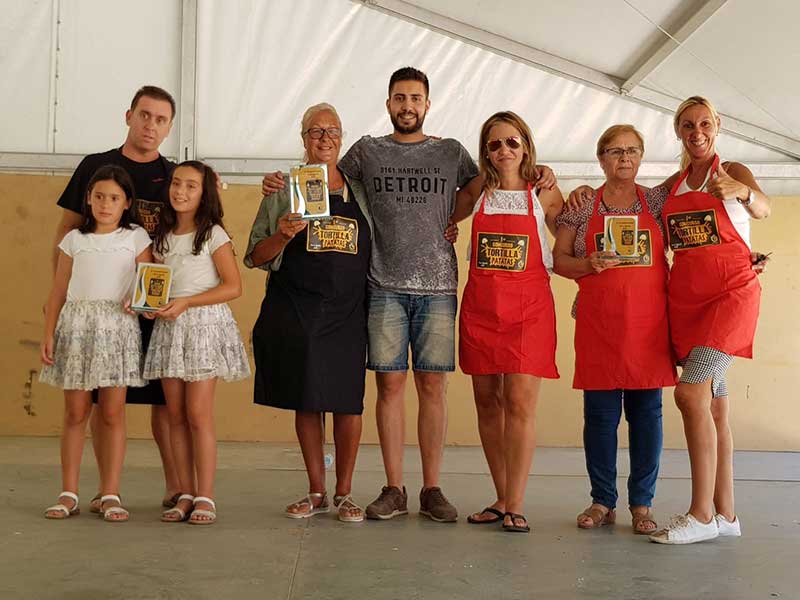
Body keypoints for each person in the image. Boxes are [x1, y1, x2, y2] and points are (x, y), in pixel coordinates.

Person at [52, 85, 181, 512]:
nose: (151, 125)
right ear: (129, 116)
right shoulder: (95, 167)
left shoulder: (173, 174)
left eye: (161, 119)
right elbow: (66, 235)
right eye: (145, 115)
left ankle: (175, 487)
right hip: (92, 311)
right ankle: (102, 489)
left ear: (168, 127)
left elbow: (197, 205)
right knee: (95, 404)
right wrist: (62, 304)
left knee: (162, 400)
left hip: (152, 304)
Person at [648, 96, 770, 544]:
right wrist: (583, 195)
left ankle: (699, 516)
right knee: (716, 406)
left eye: (704, 123)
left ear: (717, 125)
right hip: (688, 303)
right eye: (686, 125)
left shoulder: (732, 169)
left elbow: (763, 209)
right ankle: (727, 514)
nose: (696, 132)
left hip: (731, 298)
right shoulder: (673, 185)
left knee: (688, 395)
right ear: (678, 131)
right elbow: (635, 206)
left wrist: (744, 192)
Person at [245, 103, 371, 522]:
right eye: (315, 131)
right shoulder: (282, 189)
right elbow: (254, 255)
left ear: (342, 137)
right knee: (307, 398)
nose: (324, 139)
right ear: (302, 139)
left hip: (349, 308)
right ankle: (317, 490)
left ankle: (345, 494)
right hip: (298, 306)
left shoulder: (363, 188)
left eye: (332, 131)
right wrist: (282, 234)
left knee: (348, 402)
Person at [553, 124, 676, 535]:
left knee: (647, 416)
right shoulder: (582, 206)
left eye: (632, 150)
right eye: (614, 151)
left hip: (648, 326)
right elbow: (561, 260)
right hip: (600, 325)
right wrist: (589, 264)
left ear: (641, 156)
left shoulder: (658, 201)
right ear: (600, 157)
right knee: (600, 419)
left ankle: (642, 503)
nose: (623, 157)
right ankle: (602, 499)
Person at [450, 111, 562, 533]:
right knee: (486, 402)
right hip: (481, 307)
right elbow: (439, 216)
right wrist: (445, 233)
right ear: (485, 152)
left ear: (526, 146)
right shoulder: (477, 189)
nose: (504, 151)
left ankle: (516, 502)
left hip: (529, 310)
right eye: (495, 144)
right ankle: (501, 496)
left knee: (519, 403)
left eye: (512, 142)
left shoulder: (543, 191)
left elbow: (571, 233)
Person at [41, 165, 153, 522]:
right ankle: (68, 492)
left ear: (127, 203)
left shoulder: (135, 236)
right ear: (88, 199)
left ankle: (109, 493)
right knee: (75, 413)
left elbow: (150, 283)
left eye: (115, 198)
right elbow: (58, 291)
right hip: (75, 328)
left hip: (117, 329)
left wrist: (137, 302)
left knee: (111, 412)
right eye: (100, 196)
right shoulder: (74, 240)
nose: (106, 204)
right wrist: (48, 333)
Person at [143, 161, 250, 525]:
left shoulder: (214, 234)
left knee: (198, 415)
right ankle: (185, 493)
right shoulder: (161, 236)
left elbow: (234, 286)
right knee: (174, 415)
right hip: (170, 329)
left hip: (203, 325)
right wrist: (148, 306)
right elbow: (156, 283)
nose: (180, 191)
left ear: (204, 194)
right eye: (176, 183)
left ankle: (206, 496)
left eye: (191, 186)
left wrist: (188, 302)